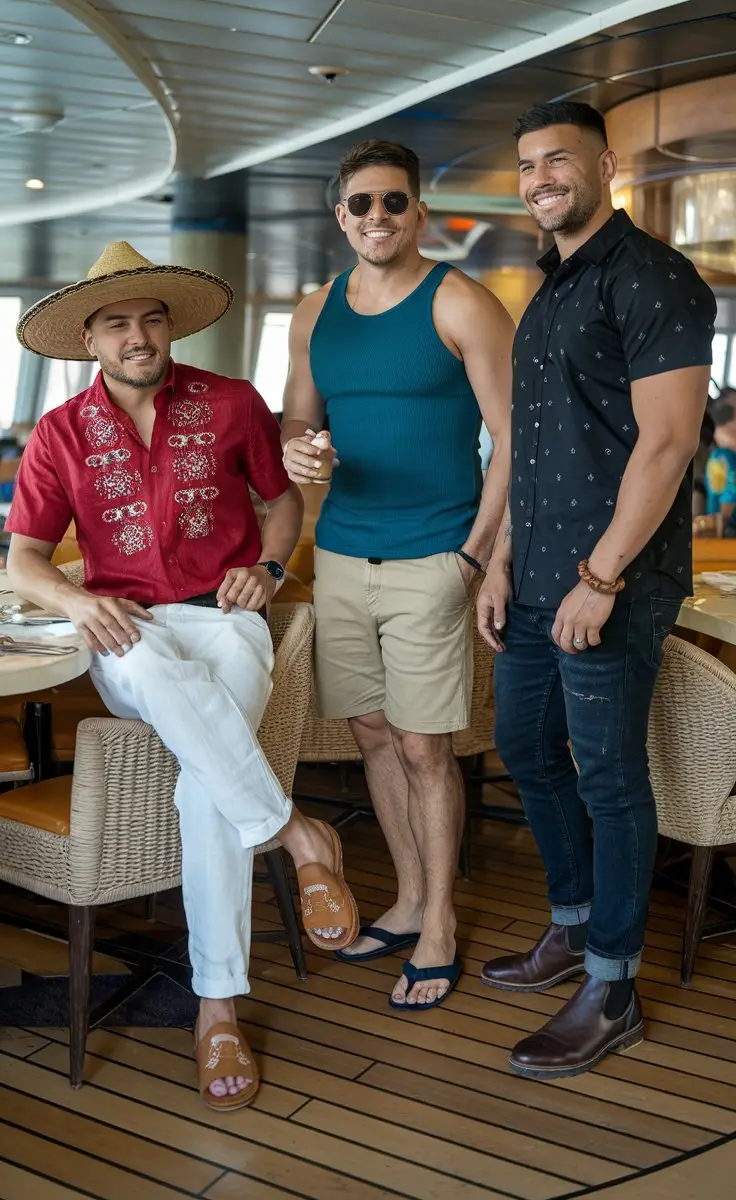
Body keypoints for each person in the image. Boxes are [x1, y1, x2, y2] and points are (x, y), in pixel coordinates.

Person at [6, 241, 359, 1111]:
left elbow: (282, 500)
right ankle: (296, 836)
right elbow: (22, 560)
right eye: (118, 323)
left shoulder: (233, 403)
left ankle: (218, 1006)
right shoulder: (58, 432)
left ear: (169, 328)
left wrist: (271, 571)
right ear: (90, 339)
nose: (138, 336)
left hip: (229, 615)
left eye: (151, 319)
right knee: (153, 670)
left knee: (208, 790)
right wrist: (77, 600)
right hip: (125, 624)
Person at [476, 101, 715, 1078]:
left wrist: (599, 575)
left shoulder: (653, 274)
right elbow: (532, 449)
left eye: (557, 160)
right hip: (533, 579)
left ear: (604, 165)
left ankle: (612, 986)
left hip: (606, 584)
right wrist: (497, 560)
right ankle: (572, 928)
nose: (540, 178)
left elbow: (666, 442)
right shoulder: (552, 286)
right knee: (526, 747)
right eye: (528, 165)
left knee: (610, 777)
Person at [281, 139, 514, 1010]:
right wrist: (298, 449)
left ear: (418, 212)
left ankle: (442, 921)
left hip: (434, 554)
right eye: (362, 205)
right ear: (340, 217)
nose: (378, 216)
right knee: (374, 734)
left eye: (394, 202)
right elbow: (294, 421)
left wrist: (475, 556)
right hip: (342, 552)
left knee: (424, 746)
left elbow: (514, 444)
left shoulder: (463, 302)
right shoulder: (313, 313)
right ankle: (409, 897)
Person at [704, 400, 736, 532]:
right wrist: (722, 525)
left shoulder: (720, 454)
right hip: (729, 528)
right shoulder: (724, 456)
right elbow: (728, 494)